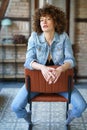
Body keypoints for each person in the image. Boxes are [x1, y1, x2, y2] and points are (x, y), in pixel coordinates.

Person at [11, 4, 87, 127]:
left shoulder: (63, 37)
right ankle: (29, 120)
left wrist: (60, 69)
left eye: (48, 19)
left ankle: (67, 121)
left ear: (56, 21)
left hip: (61, 84)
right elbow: (28, 61)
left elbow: (71, 60)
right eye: (41, 19)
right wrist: (43, 67)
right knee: (16, 106)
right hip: (37, 85)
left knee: (82, 106)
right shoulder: (34, 37)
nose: (44, 22)